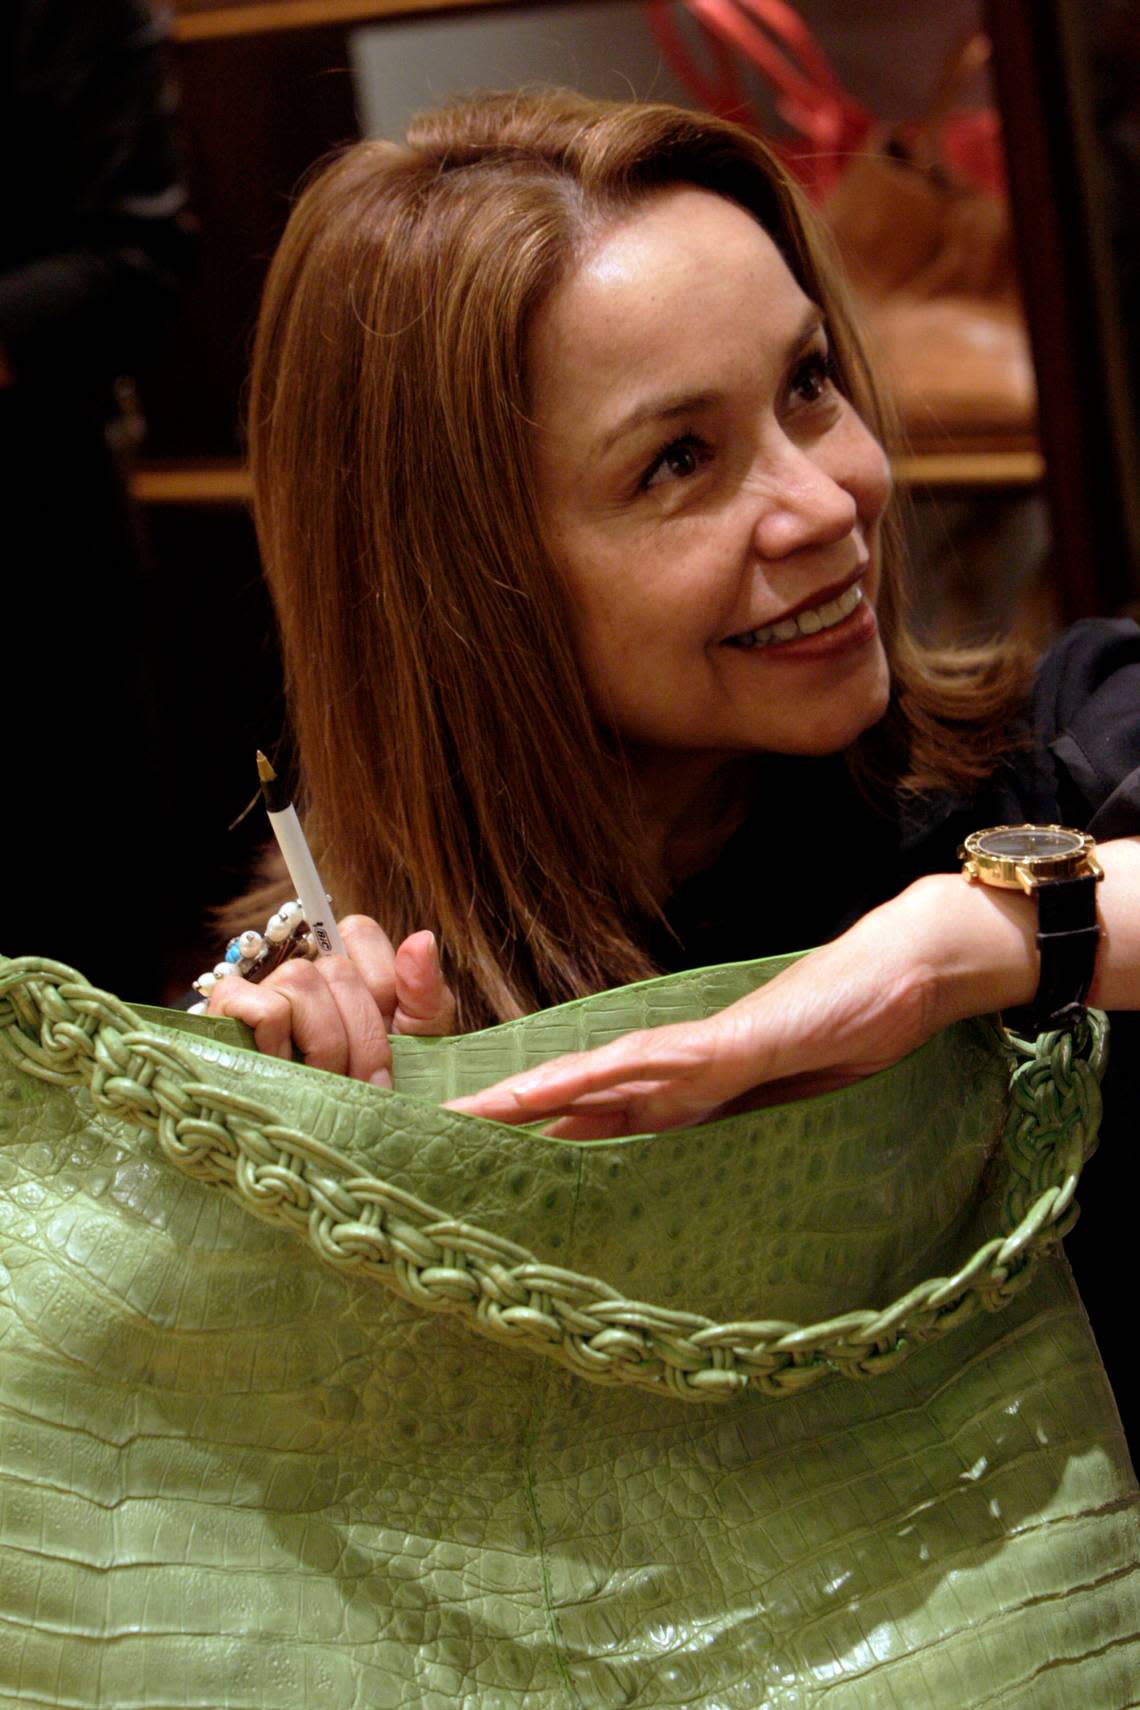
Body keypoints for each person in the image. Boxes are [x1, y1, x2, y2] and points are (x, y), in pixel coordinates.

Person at [208, 87, 1140, 1417]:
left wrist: (967, 943)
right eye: (679, 462)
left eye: (809, 383)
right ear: (465, 586)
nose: (831, 498)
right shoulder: (379, 1000)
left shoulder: (1055, 771)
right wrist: (300, 1144)